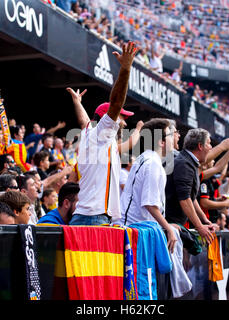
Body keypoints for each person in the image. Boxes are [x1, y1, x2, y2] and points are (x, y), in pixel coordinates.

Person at [67, 41, 138, 226]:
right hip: (93, 218)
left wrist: (77, 102)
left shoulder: (92, 134)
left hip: (90, 216)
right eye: (122, 117)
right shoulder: (101, 135)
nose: (124, 121)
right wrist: (126, 69)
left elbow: (83, 121)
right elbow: (115, 103)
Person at [116, 118, 178, 252]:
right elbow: (149, 204)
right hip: (132, 234)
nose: (173, 138)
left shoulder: (146, 158)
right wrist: (168, 229)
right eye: (169, 135)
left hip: (133, 231)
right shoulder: (152, 163)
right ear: (161, 142)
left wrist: (166, 224)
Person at [165, 128, 229, 244]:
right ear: (200, 146)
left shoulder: (189, 162)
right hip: (171, 227)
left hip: (176, 226)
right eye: (208, 143)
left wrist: (204, 220)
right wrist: (200, 227)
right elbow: (185, 199)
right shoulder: (184, 164)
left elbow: (191, 198)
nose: (211, 147)